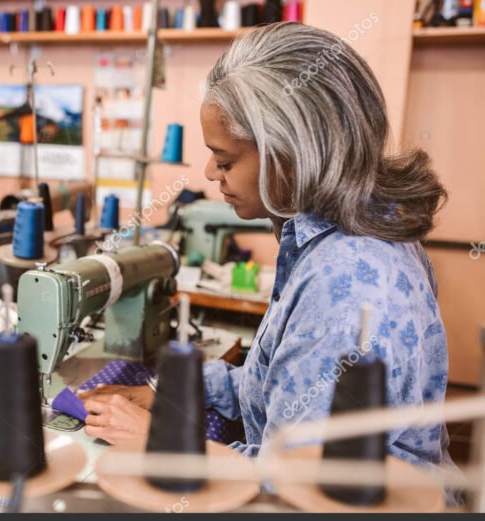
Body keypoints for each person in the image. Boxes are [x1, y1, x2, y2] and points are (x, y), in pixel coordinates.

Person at [81, 22, 454, 476]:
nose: (210, 172)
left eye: (225, 160)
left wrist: (156, 441)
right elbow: (288, 386)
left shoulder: (348, 283)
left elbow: (297, 484)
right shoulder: (329, 238)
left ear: (292, 152)